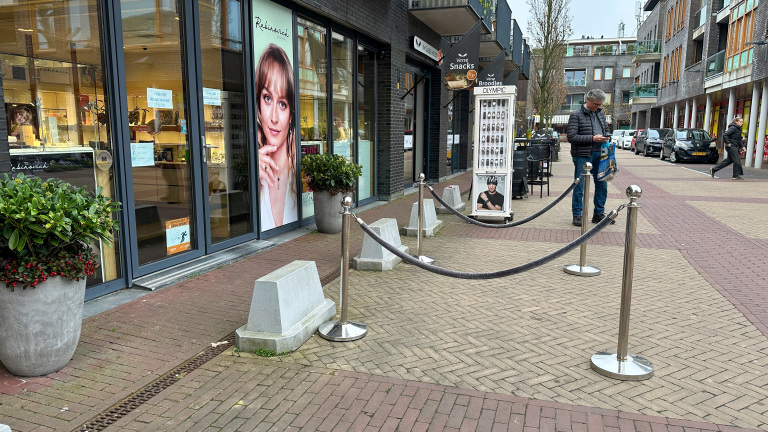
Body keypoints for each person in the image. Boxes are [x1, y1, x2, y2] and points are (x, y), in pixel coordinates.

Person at [256, 43, 298, 230]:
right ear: (258, 106)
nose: (273, 117)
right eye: (267, 98)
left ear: (291, 115)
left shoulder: (298, 172)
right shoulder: (255, 173)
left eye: (282, 103)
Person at [566, 88, 615, 227]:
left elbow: (606, 129)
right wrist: (593, 138)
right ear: (588, 100)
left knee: (602, 184)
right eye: (596, 104)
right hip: (583, 155)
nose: (598, 107)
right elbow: (572, 137)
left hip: (601, 154)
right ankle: (577, 215)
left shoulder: (600, 114)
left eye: (600, 104)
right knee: (580, 185)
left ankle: (599, 213)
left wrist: (606, 136)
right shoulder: (576, 115)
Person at [710, 116, 745, 180]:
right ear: (736, 122)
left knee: (729, 161)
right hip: (731, 147)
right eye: (740, 122)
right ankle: (735, 175)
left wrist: (742, 146)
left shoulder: (738, 129)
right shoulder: (733, 128)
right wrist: (728, 143)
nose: (741, 123)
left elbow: (738, 140)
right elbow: (725, 135)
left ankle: (714, 169)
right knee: (737, 161)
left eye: (742, 122)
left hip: (734, 146)